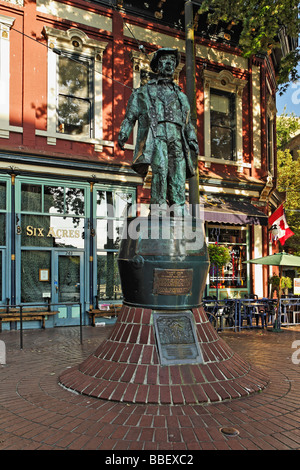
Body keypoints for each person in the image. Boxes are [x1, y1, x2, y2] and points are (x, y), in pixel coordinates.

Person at [118, 48, 199, 215]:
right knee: (160, 169)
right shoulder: (144, 91)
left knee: (177, 171)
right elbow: (130, 115)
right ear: (157, 65)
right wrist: (124, 132)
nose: (169, 63)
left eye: (172, 60)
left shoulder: (181, 97)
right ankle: (158, 208)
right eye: (165, 60)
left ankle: (178, 207)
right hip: (157, 136)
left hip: (177, 138)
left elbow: (187, 122)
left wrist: (192, 140)